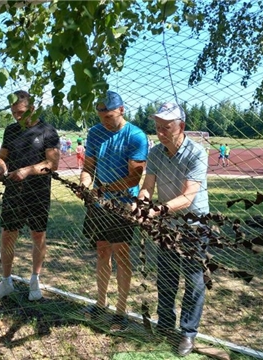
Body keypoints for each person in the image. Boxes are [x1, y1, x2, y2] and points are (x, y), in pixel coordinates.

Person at [136, 102, 209, 357]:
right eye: (157, 127)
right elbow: (146, 187)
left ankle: (188, 333)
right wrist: (142, 204)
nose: (160, 132)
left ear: (182, 127)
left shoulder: (197, 153)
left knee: (194, 282)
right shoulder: (156, 153)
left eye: (166, 127)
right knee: (166, 279)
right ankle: (165, 325)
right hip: (166, 227)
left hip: (193, 227)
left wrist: (155, 211)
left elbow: (188, 197)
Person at [79, 90, 148, 331]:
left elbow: (133, 179)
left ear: (121, 110)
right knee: (101, 252)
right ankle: (100, 304)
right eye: (100, 117)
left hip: (123, 204)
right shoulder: (95, 133)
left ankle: (121, 311)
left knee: (121, 255)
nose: (104, 122)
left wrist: (104, 188)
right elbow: (88, 168)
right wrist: (84, 185)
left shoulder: (136, 136)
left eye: (108, 116)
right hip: (99, 203)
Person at [0, 90, 60, 301]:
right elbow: (2, 158)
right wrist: (1, 169)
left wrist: (27, 171)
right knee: (8, 233)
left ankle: (35, 280)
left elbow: (52, 165)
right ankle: (6, 280)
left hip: (38, 192)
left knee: (38, 235)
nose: (17, 117)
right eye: (13, 113)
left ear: (32, 107)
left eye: (20, 112)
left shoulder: (48, 131)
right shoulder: (11, 131)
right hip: (13, 191)